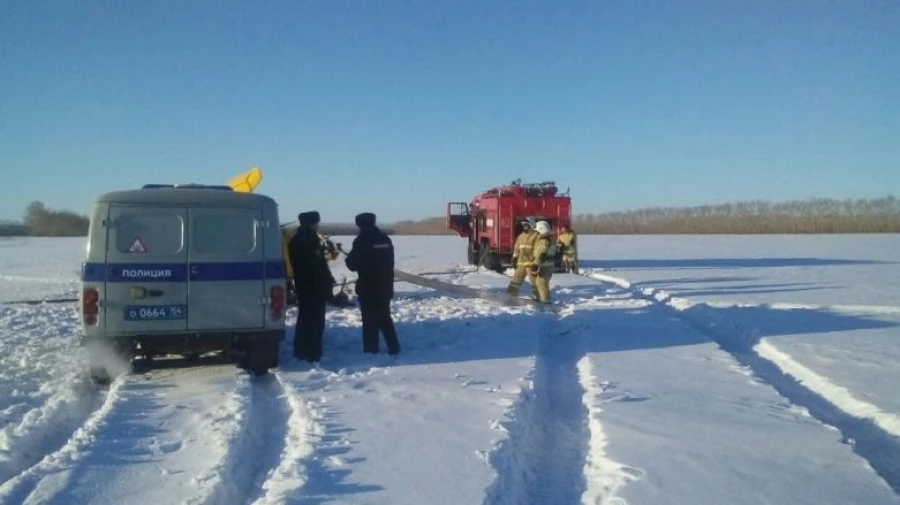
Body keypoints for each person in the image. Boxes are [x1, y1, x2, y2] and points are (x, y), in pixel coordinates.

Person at [345, 212, 400, 355]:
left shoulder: (361, 241)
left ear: (360, 225)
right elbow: (390, 262)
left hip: (367, 287)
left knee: (369, 320)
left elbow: (352, 264)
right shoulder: (385, 239)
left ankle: (371, 349)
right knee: (385, 318)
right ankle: (394, 347)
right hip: (385, 285)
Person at [288, 211, 336, 362]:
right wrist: (327, 282)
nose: (318, 226)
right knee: (315, 320)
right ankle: (313, 352)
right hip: (314, 286)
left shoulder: (295, 240)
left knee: (304, 318)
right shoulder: (309, 241)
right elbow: (318, 265)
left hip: (303, 285)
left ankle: (301, 350)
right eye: (316, 223)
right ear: (312, 224)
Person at [506, 217, 539, 298]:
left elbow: (539, 250)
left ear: (531, 225)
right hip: (521, 263)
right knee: (515, 280)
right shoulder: (521, 236)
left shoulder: (537, 236)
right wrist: (514, 257)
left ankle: (538, 297)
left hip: (531, 264)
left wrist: (536, 262)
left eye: (526, 225)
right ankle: (510, 295)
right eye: (523, 225)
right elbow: (517, 248)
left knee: (534, 282)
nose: (524, 227)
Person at [529, 220, 557, 303]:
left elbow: (540, 254)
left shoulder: (543, 241)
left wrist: (535, 265)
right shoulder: (550, 240)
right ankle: (541, 299)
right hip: (548, 266)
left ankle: (545, 302)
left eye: (537, 231)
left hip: (544, 267)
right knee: (541, 283)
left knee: (542, 285)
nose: (536, 233)